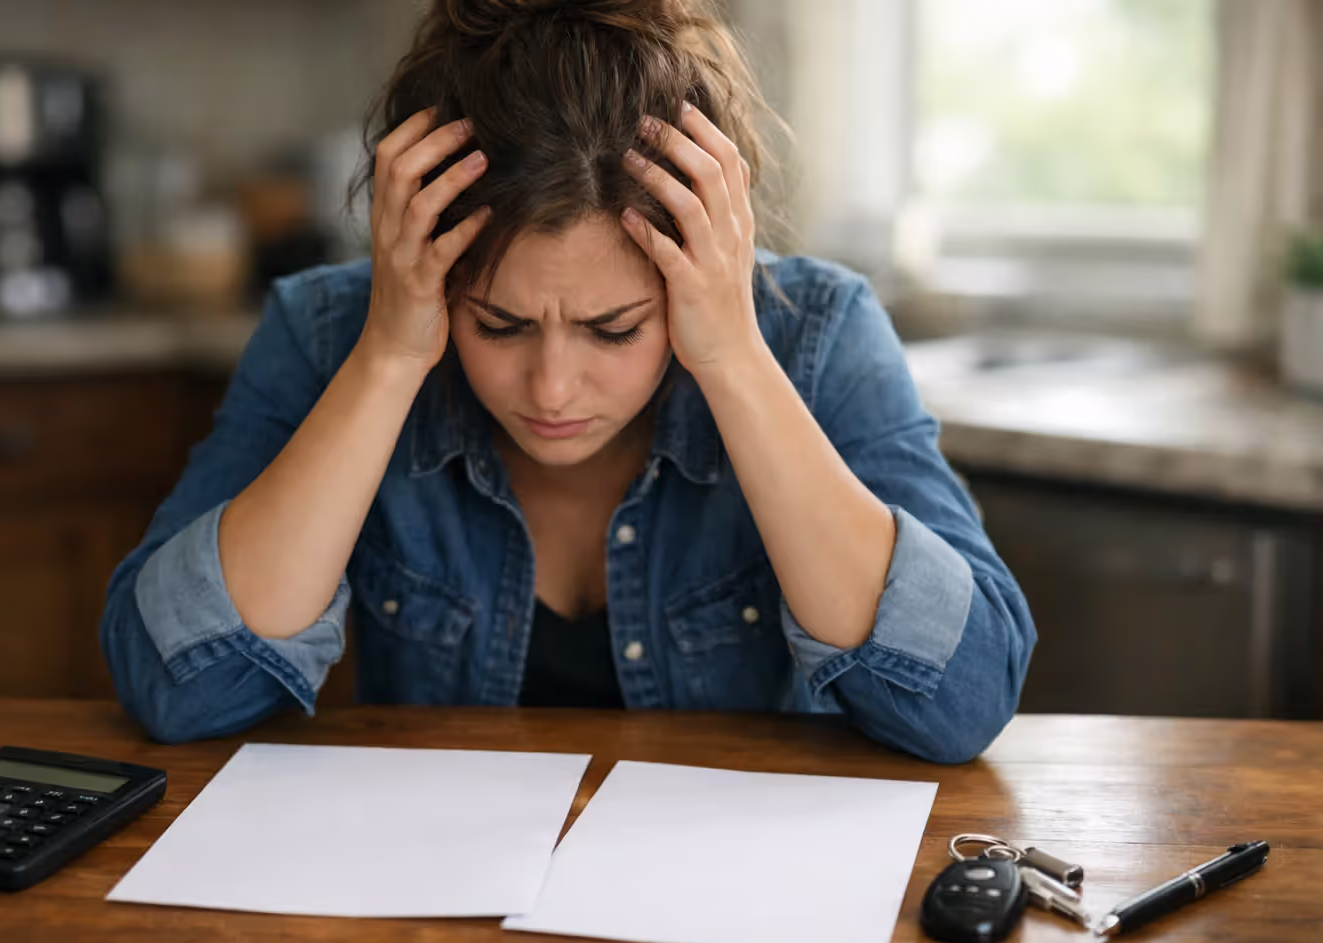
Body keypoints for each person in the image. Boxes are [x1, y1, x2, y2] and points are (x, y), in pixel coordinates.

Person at [100, 0, 1036, 762]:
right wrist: (389, 359)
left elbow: (961, 702)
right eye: (498, 323)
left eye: (614, 327)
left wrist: (733, 359)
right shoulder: (330, 334)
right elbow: (177, 688)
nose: (551, 388)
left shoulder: (819, 337)